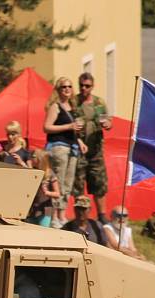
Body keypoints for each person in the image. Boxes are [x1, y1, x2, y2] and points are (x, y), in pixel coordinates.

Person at [44, 76, 87, 228]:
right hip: (59, 147)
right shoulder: (55, 107)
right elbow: (47, 127)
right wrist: (68, 126)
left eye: (69, 86)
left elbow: (74, 130)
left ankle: (62, 214)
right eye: (63, 87)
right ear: (58, 90)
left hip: (72, 148)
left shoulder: (72, 107)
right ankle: (54, 216)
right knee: (58, 182)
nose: (67, 89)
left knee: (68, 184)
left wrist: (80, 142)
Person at [72, 72, 113, 224]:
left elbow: (108, 121)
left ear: (92, 86)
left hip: (96, 150)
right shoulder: (74, 102)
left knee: (99, 183)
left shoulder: (99, 102)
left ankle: (102, 216)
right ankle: (81, 217)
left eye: (87, 86)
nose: (84, 89)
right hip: (78, 149)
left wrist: (107, 124)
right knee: (79, 184)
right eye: (82, 85)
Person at [26, 153, 61, 227]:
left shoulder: (50, 173)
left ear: (39, 159)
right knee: (29, 230)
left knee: (43, 230)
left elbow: (57, 194)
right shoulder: (34, 171)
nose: (31, 159)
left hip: (47, 208)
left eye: (33, 157)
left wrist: (47, 192)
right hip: (32, 208)